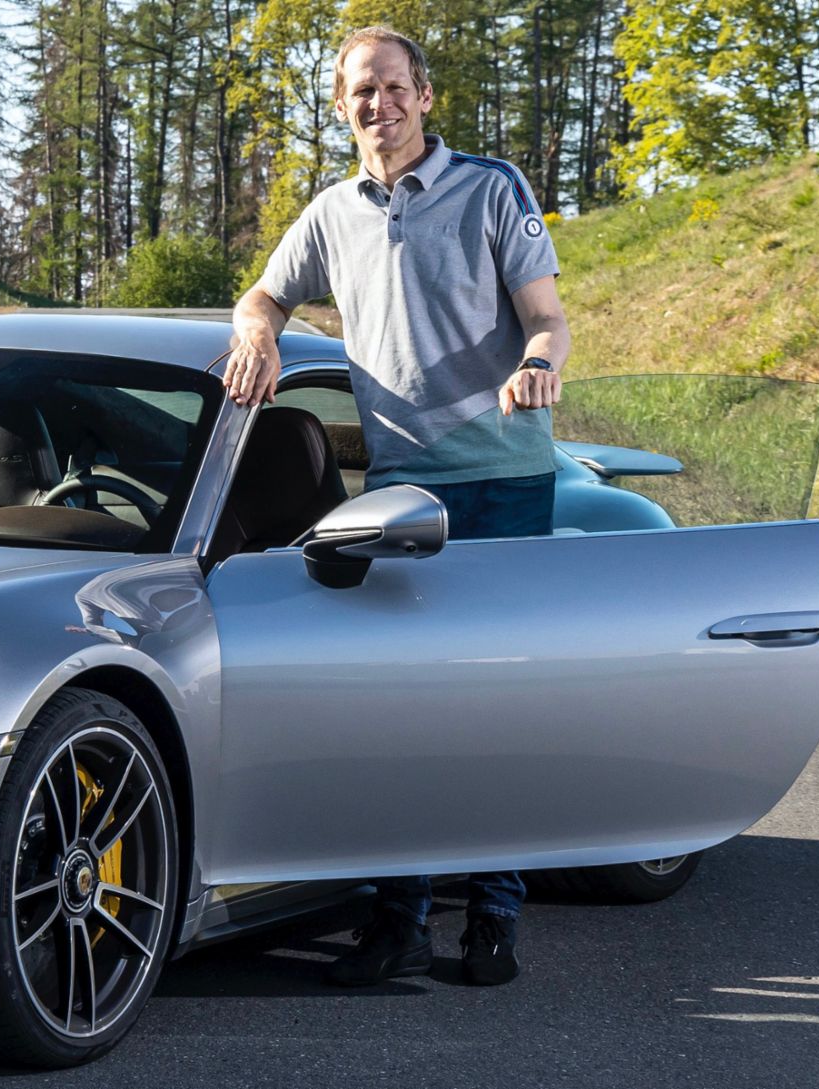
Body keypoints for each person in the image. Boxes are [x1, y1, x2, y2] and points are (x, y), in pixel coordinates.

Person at [225, 25, 571, 988]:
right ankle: (400, 919)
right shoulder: (331, 213)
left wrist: (536, 364)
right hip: (399, 490)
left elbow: (546, 317)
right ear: (343, 109)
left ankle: (493, 915)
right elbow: (261, 296)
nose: (375, 103)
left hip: (502, 479)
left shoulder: (492, 188)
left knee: (495, 708)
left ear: (423, 95)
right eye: (358, 92)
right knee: (402, 710)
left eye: (390, 86)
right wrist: (257, 334)